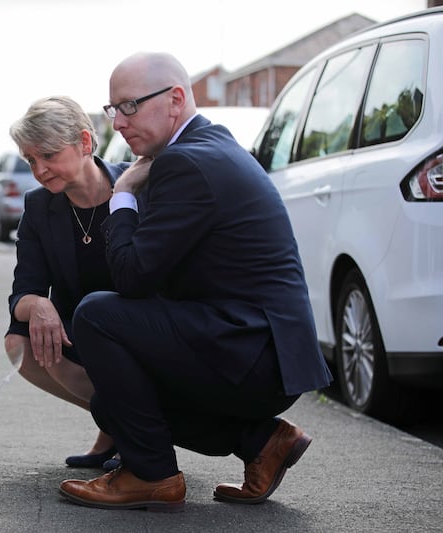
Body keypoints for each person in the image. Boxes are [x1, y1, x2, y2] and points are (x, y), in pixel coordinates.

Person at [58, 52, 333, 512]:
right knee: (111, 405)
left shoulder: (185, 162)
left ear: (175, 99)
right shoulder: (204, 148)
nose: (119, 123)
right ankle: (263, 442)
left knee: (97, 315)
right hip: (256, 347)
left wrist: (122, 192)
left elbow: (131, 277)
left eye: (129, 106)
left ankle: (151, 475)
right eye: (112, 110)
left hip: (255, 352)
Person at [4, 95, 149, 470]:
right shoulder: (39, 206)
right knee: (20, 341)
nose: (39, 169)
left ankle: (139, 430)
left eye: (48, 155)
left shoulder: (137, 185)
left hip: (145, 328)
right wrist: (38, 304)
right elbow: (23, 290)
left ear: (85, 142)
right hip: (82, 332)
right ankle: (117, 423)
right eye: (31, 160)